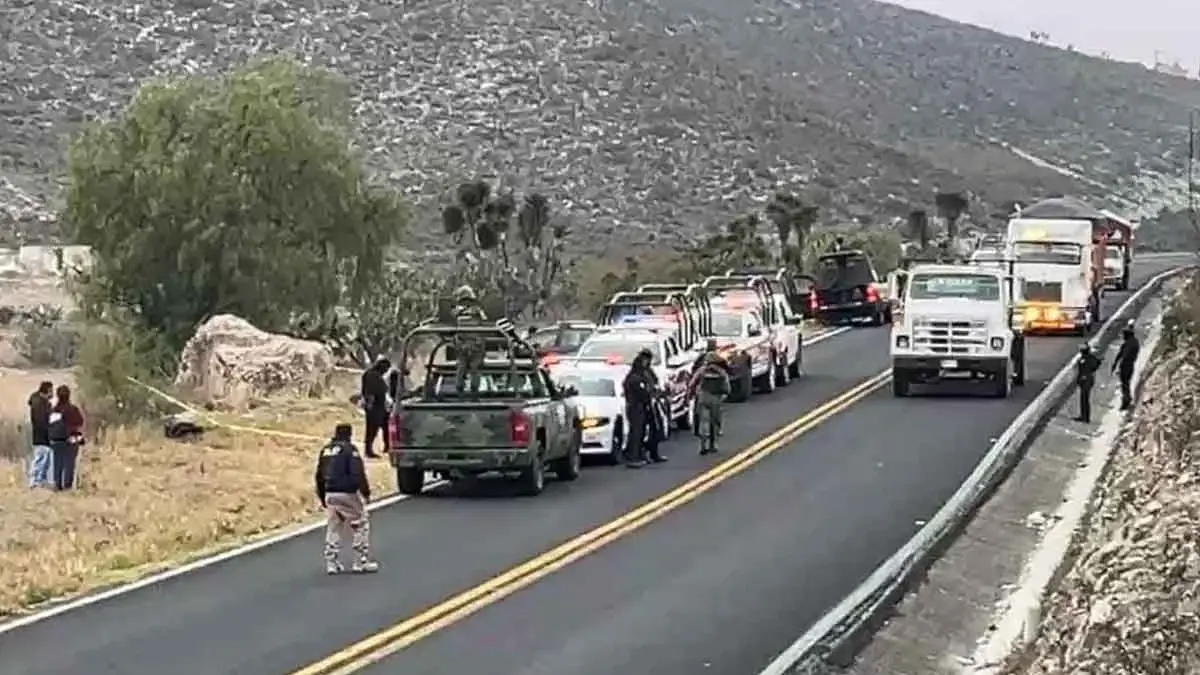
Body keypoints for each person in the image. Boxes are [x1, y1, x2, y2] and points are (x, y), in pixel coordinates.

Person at [315, 423, 378, 574]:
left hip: (330, 492)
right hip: (347, 492)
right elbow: (358, 473)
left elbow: (319, 475)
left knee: (334, 526)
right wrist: (365, 493)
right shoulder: (350, 450)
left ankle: (331, 562)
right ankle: (360, 561)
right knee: (360, 523)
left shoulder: (326, 450)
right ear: (349, 434)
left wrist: (322, 495)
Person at [690, 349, 732, 454]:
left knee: (703, 421)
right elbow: (727, 388)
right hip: (716, 399)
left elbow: (692, 383)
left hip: (703, 397)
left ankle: (703, 445)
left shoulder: (702, 370)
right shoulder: (722, 372)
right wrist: (724, 396)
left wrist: (691, 395)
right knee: (715, 422)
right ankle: (713, 445)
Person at [620, 349, 656, 468]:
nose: (647, 362)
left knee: (644, 431)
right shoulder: (635, 376)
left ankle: (642, 454)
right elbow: (638, 391)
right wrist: (646, 394)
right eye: (646, 359)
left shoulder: (645, 372)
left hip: (643, 405)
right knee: (636, 432)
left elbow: (653, 381)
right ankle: (633, 457)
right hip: (635, 406)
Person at [452, 285, 488, 394]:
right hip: (463, 345)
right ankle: (460, 389)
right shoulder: (458, 311)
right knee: (462, 367)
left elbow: (484, 322)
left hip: (475, 345)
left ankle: (473, 390)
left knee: (474, 367)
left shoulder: (477, 311)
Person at [48, 385, 85, 490]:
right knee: (69, 462)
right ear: (69, 395)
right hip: (71, 439)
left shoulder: (54, 410)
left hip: (56, 440)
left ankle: (57, 484)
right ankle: (67, 485)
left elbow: (50, 424)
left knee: (57, 463)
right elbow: (80, 422)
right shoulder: (72, 409)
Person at [360, 356, 391, 458]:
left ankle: (387, 446)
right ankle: (368, 450)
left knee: (385, 426)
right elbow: (370, 392)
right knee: (372, 429)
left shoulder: (375, 375)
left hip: (379, 406)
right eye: (386, 369)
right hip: (374, 406)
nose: (386, 371)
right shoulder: (372, 375)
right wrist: (370, 405)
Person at [27, 381, 53, 488]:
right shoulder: (41, 404)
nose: (52, 393)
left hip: (39, 434)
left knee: (42, 458)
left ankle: (39, 480)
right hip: (42, 435)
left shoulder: (37, 401)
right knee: (40, 458)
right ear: (47, 390)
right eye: (51, 390)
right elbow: (42, 421)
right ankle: (35, 481)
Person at [1112, 322, 1140, 411]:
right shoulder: (1133, 342)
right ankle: (1126, 399)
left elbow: (1124, 355)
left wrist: (1118, 366)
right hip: (1129, 365)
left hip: (1126, 366)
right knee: (1125, 383)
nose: (1123, 336)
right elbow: (1120, 354)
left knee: (1125, 384)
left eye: (1124, 335)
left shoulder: (1129, 344)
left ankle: (1126, 401)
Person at [1074, 343, 1102, 423]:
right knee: (1084, 398)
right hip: (1088, 379)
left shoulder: (1084, 360)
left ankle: (1085, 417)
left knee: (1084, 399)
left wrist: (1084, 376)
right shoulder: (1089, 358)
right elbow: (1097, 363)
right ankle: (1084, 416)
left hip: (1086, 380)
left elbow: (1082, 370)